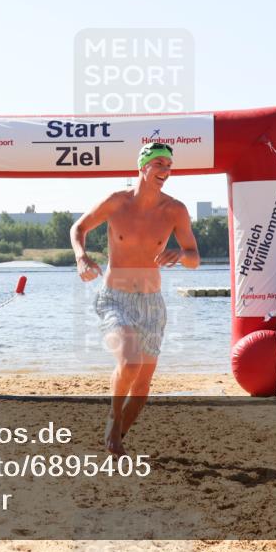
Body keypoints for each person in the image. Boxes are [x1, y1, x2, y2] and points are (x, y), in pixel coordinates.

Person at [70, 141, 200, 456]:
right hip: (115, 297)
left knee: (141, 388)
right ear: (143, 166)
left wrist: (181, 254)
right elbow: (79, 228)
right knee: (129, 363)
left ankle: (119, 433)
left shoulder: (175, 210)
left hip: (152, 303)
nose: (166, 172)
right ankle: (113, 422)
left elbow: (195, 258)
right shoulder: (117, 202)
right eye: (159, 165)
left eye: (169, 167)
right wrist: (81, 257)